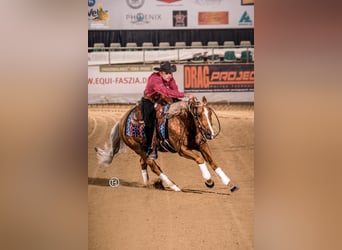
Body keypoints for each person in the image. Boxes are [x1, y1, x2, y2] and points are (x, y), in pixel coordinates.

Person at [142, 61, 193, 159]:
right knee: (149, 123)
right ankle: (149, 147)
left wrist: (179, 99)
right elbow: (165, 91)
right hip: (149, 100)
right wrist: (184, 94)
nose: (169, 75)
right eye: (167, 73)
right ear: (160, 73)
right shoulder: (154, 79)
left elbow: (174, 90)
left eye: (170, 73)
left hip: (162, 98)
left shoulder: (170, 78)